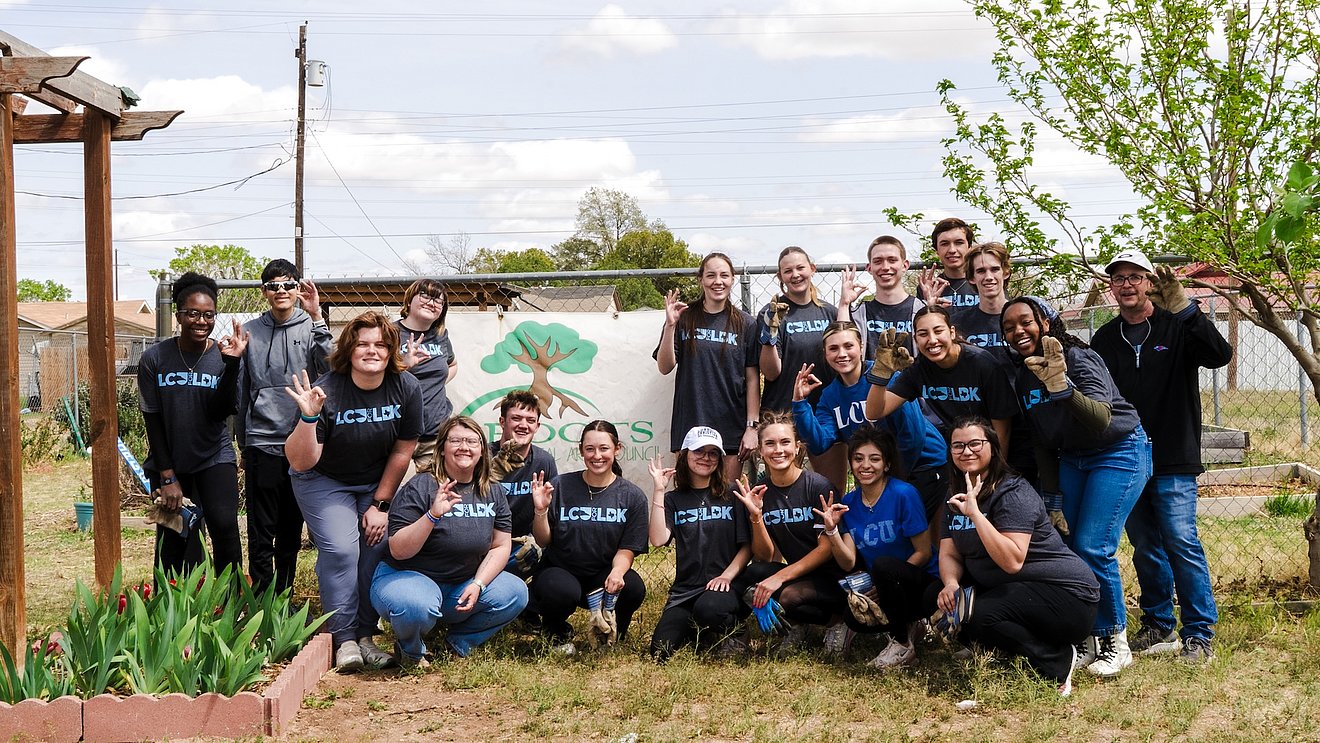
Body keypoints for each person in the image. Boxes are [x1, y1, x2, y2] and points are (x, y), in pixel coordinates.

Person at [1091, 249, 1233, 664]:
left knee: (1181, 541)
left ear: (1150, 282)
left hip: (1173, 453)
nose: (1127, 284)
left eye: (1136, 276)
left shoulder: (1176, 325)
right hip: (1126, 457)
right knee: (1144, 543)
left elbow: (1219, 355)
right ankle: (1158, 625)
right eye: (1119, 278)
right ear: (1111, 286)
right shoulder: (1105, 338)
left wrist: (1187, 309)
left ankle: (1199, 633)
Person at [1000, 296, 1152, 677]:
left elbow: (1101, 418)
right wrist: (1052, 501)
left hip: (1117, 450)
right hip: (1072, 458)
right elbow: (1041, 440)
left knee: (1093, 546)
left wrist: (1061, 386)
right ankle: (1087, 636)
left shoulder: (1079, 359)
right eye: (1009, 327)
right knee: (1067, 548)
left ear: (1046, 324)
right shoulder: (1022, 375)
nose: (1019, 331)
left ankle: (1115, 642)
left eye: (1026, 322)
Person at [284, 311, 424, 672]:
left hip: (374, 481)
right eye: (362, 343)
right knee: (342, 550)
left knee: (374, 549)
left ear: (391, 349)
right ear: (349, 349)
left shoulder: (406, 386)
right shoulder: (327, 389)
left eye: (380, 344)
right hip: (323, 478)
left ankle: (366, 635)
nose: (372, 350)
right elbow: (302, 461)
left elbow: (403, 449)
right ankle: (342, 638)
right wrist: (309, 418)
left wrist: (381, 503)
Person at [930, 417, 1100, 696]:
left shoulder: (1012, 492)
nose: (966, 451)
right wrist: (950, 583)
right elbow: (949, 552)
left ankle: (1056, 660)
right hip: (1017, 591)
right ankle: (997, 648)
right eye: (958, 446)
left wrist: (975, 514)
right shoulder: (953, 493)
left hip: (1066, 597)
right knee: (936, 596)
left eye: (975, 443)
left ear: (993, 448)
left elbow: (1012, 561)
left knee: (982, 614)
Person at [370, 417, 529, 669]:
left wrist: (478, 583)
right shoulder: (421, 486)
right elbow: (398, 550)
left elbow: (500, 546)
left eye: (471, 441)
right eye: (455, 440)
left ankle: (457, 643)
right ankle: (411, 651)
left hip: (461, 585)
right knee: (414, 606)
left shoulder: (491, 490)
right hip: (408, 579)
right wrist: (432, 515)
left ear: (482, 451)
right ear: (442, 448)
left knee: (515, 592)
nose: (463, 447)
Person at [864, 305, 1017, 523]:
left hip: (999, 456)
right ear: (915, 339)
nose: (932, 340)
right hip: (964, 456)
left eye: (938, 331)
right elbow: (874, 411)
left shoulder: (981, 363)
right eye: (923, 334)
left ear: (952, 332)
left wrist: (993, 475)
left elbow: (1003, 427)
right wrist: (882, 373)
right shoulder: (920, 369)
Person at [137, 272, 245, 578]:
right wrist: (166, 475)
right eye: (193, 314)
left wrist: (233, 363)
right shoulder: (154, 358)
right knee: (173, 534)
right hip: (170, 458)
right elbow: (152, 419)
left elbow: (222, 410)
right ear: (178, 315)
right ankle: (168, 610)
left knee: (224, 528)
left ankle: (232, 607)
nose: (201, 321)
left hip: (214, 455)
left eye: (208, 315)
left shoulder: (223, 356)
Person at [237, 259, 331, 596]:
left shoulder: (311, 326)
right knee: (261, 527)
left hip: (300, 442)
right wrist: (244, 443)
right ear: (264, 292)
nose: (282, 291)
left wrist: (318, 315)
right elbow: (242, 390)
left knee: (291, 527)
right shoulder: (249, 330)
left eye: (288, 285)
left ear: (297, 289)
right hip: (262, 440)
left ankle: (284, 596)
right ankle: (261, 598)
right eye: (274, 286)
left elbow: (330, 364)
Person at [816, 426, 938, 670]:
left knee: (883, 565)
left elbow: (923, 553)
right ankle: (911, 626)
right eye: (858, 459)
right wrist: (832, 531)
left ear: (887, 464)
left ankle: (902, 645)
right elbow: (848, 562)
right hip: (885, 585)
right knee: (853, 618)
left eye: (875, 458)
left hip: (923, 583)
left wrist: (883, 583)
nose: (865, 465)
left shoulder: (904, 494)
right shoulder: (849, 503)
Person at [791, 321, 947, 505]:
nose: (842, 354)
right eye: (833, 348)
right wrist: (800, 402)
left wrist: (890, 481)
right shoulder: (830, 396)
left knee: (906, 526)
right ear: (825, 354)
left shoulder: (885, 374)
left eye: (848, 346)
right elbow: (819, 443)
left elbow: (913, 436)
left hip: (922, 464)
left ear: (861, 346)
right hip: (881, 473)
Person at [528, 421, 649, 655]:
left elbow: (627, 548)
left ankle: (614, 633)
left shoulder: (632, 496)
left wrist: (617, 572)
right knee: (559, 590)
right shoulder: (560, 485)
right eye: (589, 449)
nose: (597, 456)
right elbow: (543, 541)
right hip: (561, 570)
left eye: (604, 448)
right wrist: (540, 510)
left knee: (632, 587)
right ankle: (555, 632)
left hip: (602, 575)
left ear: (617, 449)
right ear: (581, 450)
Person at [733, 411, 845, 655]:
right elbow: (765, 554)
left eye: (785, 442)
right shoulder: (763, 492)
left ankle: (839, 622)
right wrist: (756, 517)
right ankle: (799, 625)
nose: (778, 450)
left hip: (836, 576)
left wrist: (779, 578)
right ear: (760, 451)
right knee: (754, 574)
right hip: (802, 573)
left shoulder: (818, 486)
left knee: (787, 596)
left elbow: (826, 549)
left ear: (797, 447)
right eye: (770, 444)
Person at [646, 426, 752, 661]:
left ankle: (736, 632)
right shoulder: (673, 499)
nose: (706, 457)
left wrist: (726, 576)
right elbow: (658, 539)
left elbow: (747, 546)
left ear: (720, 459)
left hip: (727, 585)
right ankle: (704, 630)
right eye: (699, 451)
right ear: (685, 455)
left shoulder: (732, 494)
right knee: (660, 652)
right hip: (686, 591)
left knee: (709, 609)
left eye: (713, 453)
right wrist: (659, 491)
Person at [656, 252, 759, 482]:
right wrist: (670, 327)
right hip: (690, 421)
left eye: (724, 275)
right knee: (688, 502)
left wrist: (752, 427)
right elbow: (664, 367)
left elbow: (752, 378)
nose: (717, 281)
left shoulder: (747, 324)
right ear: (700, 279)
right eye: (711, 275)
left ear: (732, 279)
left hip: (730, 425)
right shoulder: (683, 317)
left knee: (727, 502)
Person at [757, 247, 841, 485]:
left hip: (823, 414)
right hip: (783, 414)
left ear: (812, 269)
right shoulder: (772, 312)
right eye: (788, 271)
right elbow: (771, 372)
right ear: (780, 276)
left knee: (831, 490)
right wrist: (770, 335)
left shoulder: (829, 312)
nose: (795, 274)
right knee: (784, 493)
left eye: (800, 268)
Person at [489, 389, 560, 578]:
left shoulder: (544, 461)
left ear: (537, 426)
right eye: (516, 418)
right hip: (485, 544)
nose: (523, 425)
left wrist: (536, 539)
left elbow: (546, 531)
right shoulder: (483, 457)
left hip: (523, 544)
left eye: (530, 420)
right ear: (502, 422)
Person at [397, 278, 458, 472]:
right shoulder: (389, 332)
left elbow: (453, 364)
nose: (431, 303)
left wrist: (437, 384)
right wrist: (404, 366)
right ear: (409, 301)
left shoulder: (440, 335)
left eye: (438, 300)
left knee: (434, 495)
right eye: (424, 295)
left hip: (434, 435)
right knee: (395, 497)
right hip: (397, 435)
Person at [838, 235, 924, 359]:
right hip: (869, 379)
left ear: (905, 265)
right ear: (869, 268)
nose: (885, 267)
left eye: (892, 260)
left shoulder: (920, 309)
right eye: (878, 261)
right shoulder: (858, 314)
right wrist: (844, 304)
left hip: (912, 378)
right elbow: (842, 347)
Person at [917, 217, 980, 309]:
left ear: (969, 247)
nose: (952, 250)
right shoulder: (929, 287)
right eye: (945, 244)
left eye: (959, 242)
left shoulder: (984, 282)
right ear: (936, 251)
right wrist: (930, 307)